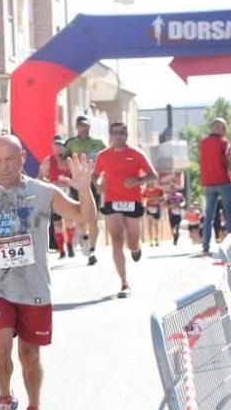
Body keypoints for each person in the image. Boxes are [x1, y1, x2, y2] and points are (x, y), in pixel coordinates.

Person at [0, 136, 96, 410]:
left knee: (29, 354)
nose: (4, 167)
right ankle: (5, 397)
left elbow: (85, 217)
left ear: (22, 158)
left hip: (34, 286)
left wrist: (84, 189)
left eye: (10, 160)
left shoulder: (43, 193)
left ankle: (33, 408)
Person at [94, 122, 158, 298]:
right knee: (116, 238)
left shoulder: (136, 153)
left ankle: (136, 249)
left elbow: (153, 175)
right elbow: (95, 174)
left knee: (132, 241)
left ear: (126, 135)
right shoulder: (103, 155)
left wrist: (137, 181)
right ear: (110, 135)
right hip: (112, 200)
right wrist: (98, 184)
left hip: (132, 200)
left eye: (121, 133)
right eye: (115, 133)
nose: (118, 136)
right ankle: (124, 282)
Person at [65, 116, 106, 266]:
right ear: (77, 127)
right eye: (81, 126)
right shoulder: (71, 144)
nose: (84, 128)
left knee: (94, 218)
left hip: (94, 183)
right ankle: (84, 237)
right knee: (79, 216)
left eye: (86, 126)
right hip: (77, 184)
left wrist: (102, 179)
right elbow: (63, 161)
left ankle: (93, 251)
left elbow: (107, 159)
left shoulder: (98, 143)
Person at [198, 118, 231, 255]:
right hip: (223, 181)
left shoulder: (202, 143)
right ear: (218, 128)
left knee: (209, 215)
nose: (225, 130)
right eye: (223, 127)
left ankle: (205, 246)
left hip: (208, 183)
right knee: (229, 213)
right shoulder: (223, 142)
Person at [39, 137, 77, 259]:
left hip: (67, 194)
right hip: (54, 195)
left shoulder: (68, 160)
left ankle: (70, 244)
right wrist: (49, 184)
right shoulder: (48, 161)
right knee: (58, 224)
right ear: (53, 147)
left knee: (70, 221)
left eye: (60, 145)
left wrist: (69, 182)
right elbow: (40, 177)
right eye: (56, 145)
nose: (58, 148)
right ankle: (61, 250)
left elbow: (76, 175)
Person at [143, 182, 165, 247]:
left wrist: (158, 200)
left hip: (157, 208)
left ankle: (156, 238)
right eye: (149, 183)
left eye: (151, 183)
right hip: (149, 208)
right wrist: (150, 199)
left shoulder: (159, 190)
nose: (150, 184)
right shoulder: (145, 191)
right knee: (149, 224)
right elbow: (143, 199)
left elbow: (163, 199)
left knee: (156, 225)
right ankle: (151, 240)